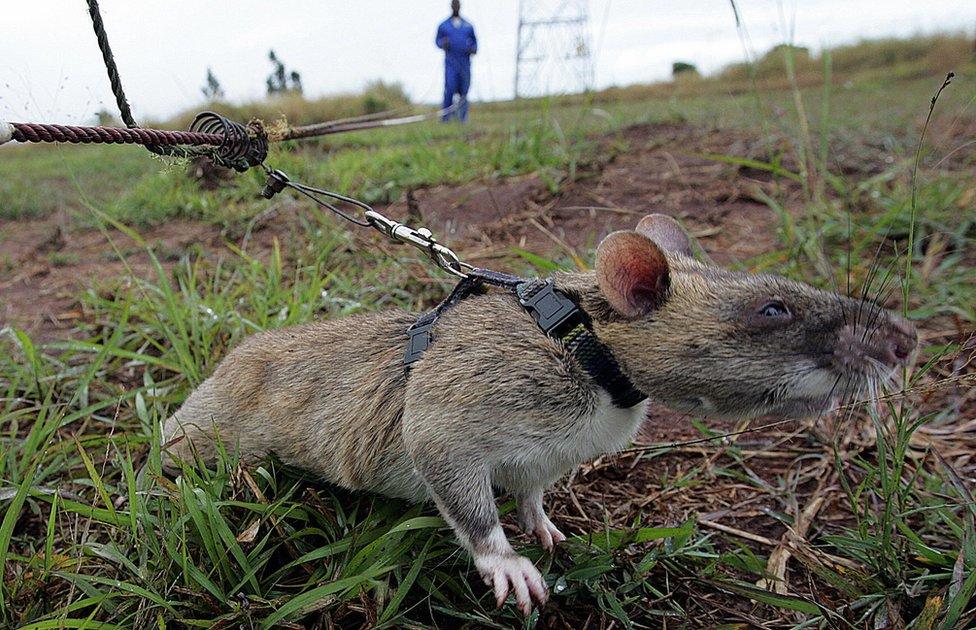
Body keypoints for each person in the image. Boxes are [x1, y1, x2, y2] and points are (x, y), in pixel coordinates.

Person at [435, 0, 477, 122]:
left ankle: (463, 119)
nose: (456, 6)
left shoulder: (468, 26)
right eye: (454, 4)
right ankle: (446, 118)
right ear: (451, 6)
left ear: (460, 6)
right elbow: (437, 41)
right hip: (450, 64)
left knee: (464, 91)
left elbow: (475, 44)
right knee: (450, 88)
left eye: (457, 4)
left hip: (465, 63)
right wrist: (443, 43)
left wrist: (472, 49)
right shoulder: (444, 25)